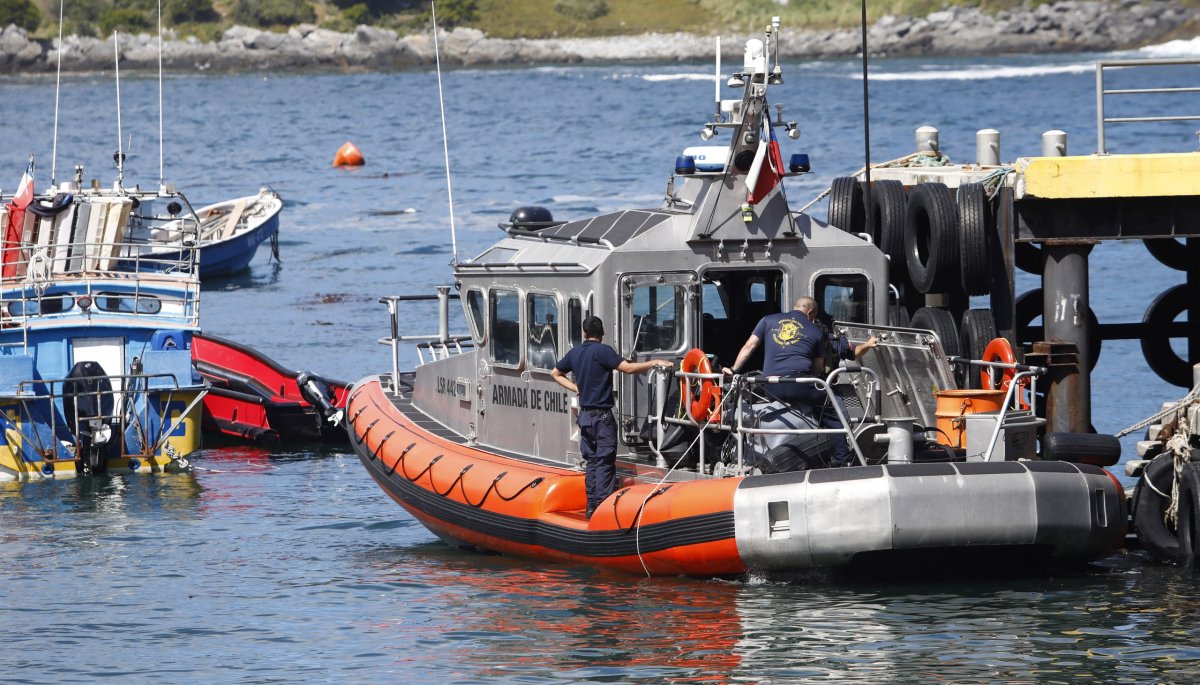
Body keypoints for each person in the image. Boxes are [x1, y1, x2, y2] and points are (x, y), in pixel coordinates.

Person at [551, 315, 673, 518]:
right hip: (602, 418)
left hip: (585, 417)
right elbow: (628, 368)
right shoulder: (603, 351)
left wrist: (575, 388)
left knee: (591, 462)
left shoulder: (575, 352)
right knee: (605, 462)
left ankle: (591, 506)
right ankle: (603, 508)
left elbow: (555, 373)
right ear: (602, 333)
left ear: (584, 333)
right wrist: (654, 362)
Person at [721, 296, 852, 466]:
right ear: (810, 313)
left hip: (770, 387)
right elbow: (818, 367)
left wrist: (733, 370)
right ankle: (842, 459)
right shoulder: (815, 331)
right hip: (799, 386)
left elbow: (749, 347)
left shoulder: (767, 320)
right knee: (832, 407)